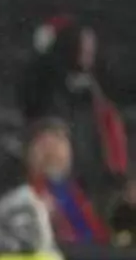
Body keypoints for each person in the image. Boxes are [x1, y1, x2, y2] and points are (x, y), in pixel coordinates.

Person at [19, 15, 127, 209]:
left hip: (91, 179)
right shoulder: (51, 87)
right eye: (84, 45)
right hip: (67, 180)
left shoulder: (93, 91)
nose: (89, 51)